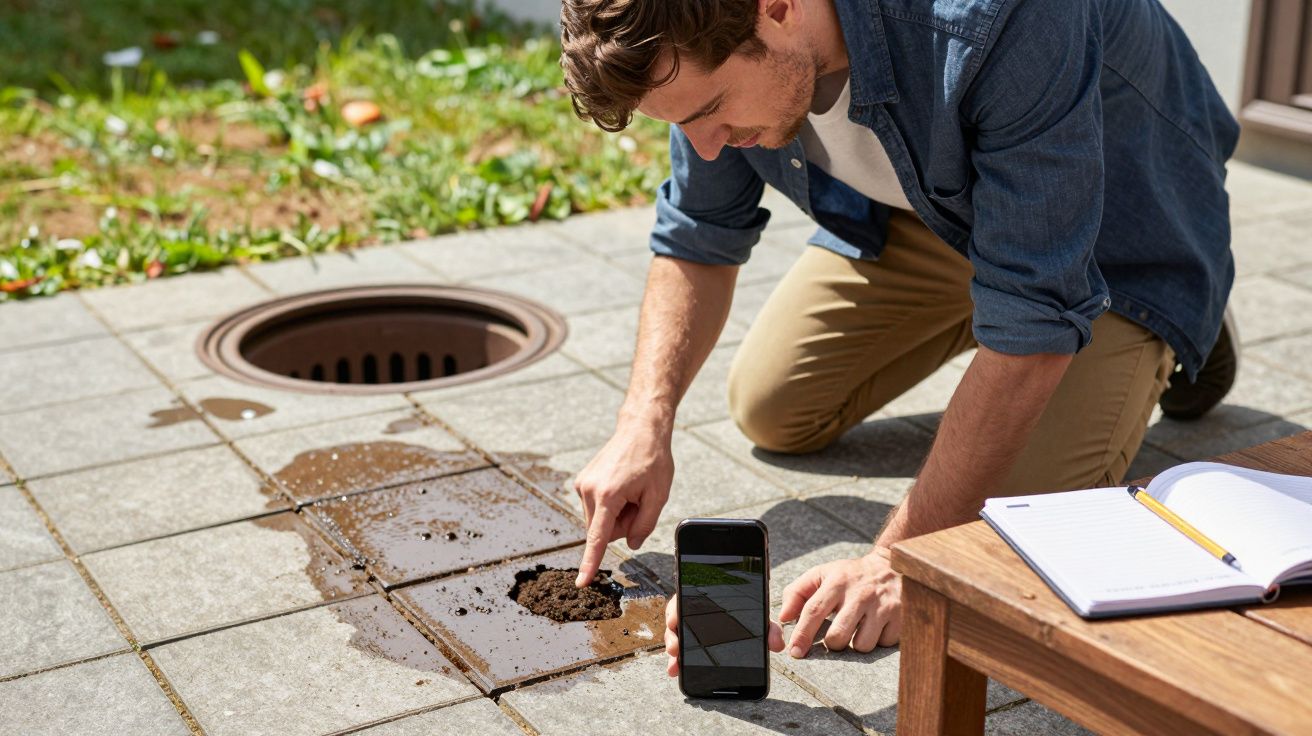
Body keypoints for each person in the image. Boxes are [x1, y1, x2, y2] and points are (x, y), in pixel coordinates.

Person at [557, 0, 1240, 669]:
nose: (704, 145)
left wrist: (895, 557)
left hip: (1112, 245)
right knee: (772, 407)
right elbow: (697, 236)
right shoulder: (702, 32)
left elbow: (1034, 323)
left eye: (708, 113)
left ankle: (1177, 326)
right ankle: (988, 294)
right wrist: (642, 423)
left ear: (777, 8)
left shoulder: (1009, 16)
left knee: (1003, 534)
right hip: (939, 211)